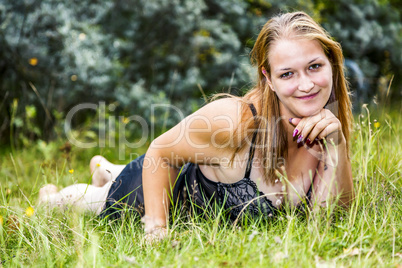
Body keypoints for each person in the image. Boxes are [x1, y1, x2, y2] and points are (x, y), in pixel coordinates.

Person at [39, 11, 354, 241]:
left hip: (204, 171)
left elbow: (331, 221)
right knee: (87, 202)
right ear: (268, 78)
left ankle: (105, 167)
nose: (306, 84)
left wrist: (335, 145)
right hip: (156, 190)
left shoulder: (326, 129)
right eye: (288, 74)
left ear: (332, 64)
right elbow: (160, 152)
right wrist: (157, 232)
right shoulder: (234, 120)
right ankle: (69, 189)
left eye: (314, 66)